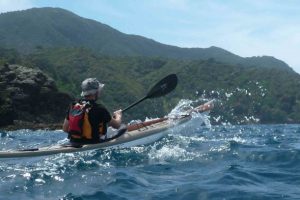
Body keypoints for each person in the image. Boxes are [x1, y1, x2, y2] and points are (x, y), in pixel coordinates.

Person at [62, 78, 122, 144]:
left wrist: (80, 135)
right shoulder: (100, 108)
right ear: (96, 92)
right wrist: (118, 115)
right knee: (123, 129)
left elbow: (65, 128)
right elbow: (117, 125)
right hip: (93, 143)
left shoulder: (73, 106)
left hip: (73, 142)